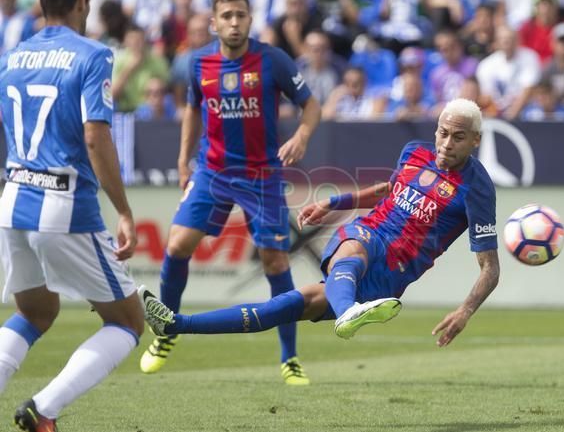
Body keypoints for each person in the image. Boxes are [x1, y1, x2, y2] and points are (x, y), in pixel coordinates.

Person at [140, 98, 501, 356]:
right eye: (442, 132)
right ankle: (348, 312)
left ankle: (174, 325)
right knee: (354, 247)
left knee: (280, 308)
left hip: (393, 273)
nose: (445, 143)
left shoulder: (478, 189)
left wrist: (465, 310)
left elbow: (490, 268)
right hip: (371, 232)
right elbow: (389, 191)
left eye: (457, 137)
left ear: (475, 141)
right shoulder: (414, 151)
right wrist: (333, 203)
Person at [138, 0, 322, 386]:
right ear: (214, 22)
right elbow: (192, 109)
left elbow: (310, 104)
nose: (234, 22)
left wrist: (303, 135)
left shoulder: (271, 59)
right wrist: (183, 157)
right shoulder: (197, 62)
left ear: (250, 19)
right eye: (227, 16)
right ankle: (167, 331)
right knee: (175, 245)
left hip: (261, 177)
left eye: (240, 15)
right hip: (213, 172)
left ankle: (289, 358)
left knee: (275, 263)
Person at [0, 0, 147, 430]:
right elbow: (95, 135)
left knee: (35, 312)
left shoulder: (12, 57)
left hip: (13, 200)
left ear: (41, 3)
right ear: (85, 2)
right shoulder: (93, 55)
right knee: (127, 322)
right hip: (63, 204)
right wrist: (123, 209)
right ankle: (44, 408)